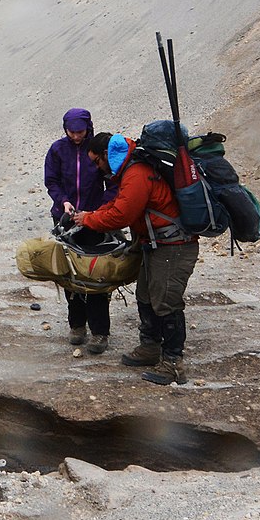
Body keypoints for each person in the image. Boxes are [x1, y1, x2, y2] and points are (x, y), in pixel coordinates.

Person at [68, 132, 198, 385]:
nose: (97, 167)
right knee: (146, 296)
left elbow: (121, 215)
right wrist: (91, 214)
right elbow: (119, 204)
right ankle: (150, 347)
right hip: (156, 244)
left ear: (108, 155)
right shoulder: (130, 171)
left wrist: (89, 220)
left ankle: (173, 363)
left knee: (166, 302)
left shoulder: (136, 173)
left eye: (97, 161)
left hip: (173, 246)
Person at [43, 107, 114, 354]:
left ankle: (100, 331)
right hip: (65, 218)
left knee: (96, 274)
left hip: (94, 219)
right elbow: (51, 181)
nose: (76, 136)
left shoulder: (97, 150)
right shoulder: (57, 150)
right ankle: (77, 325)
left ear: (88, 128)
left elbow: (112, 180)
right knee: (70, 273)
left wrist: (101, 210)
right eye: (71, 132)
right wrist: (63, 200)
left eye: (80, 131)